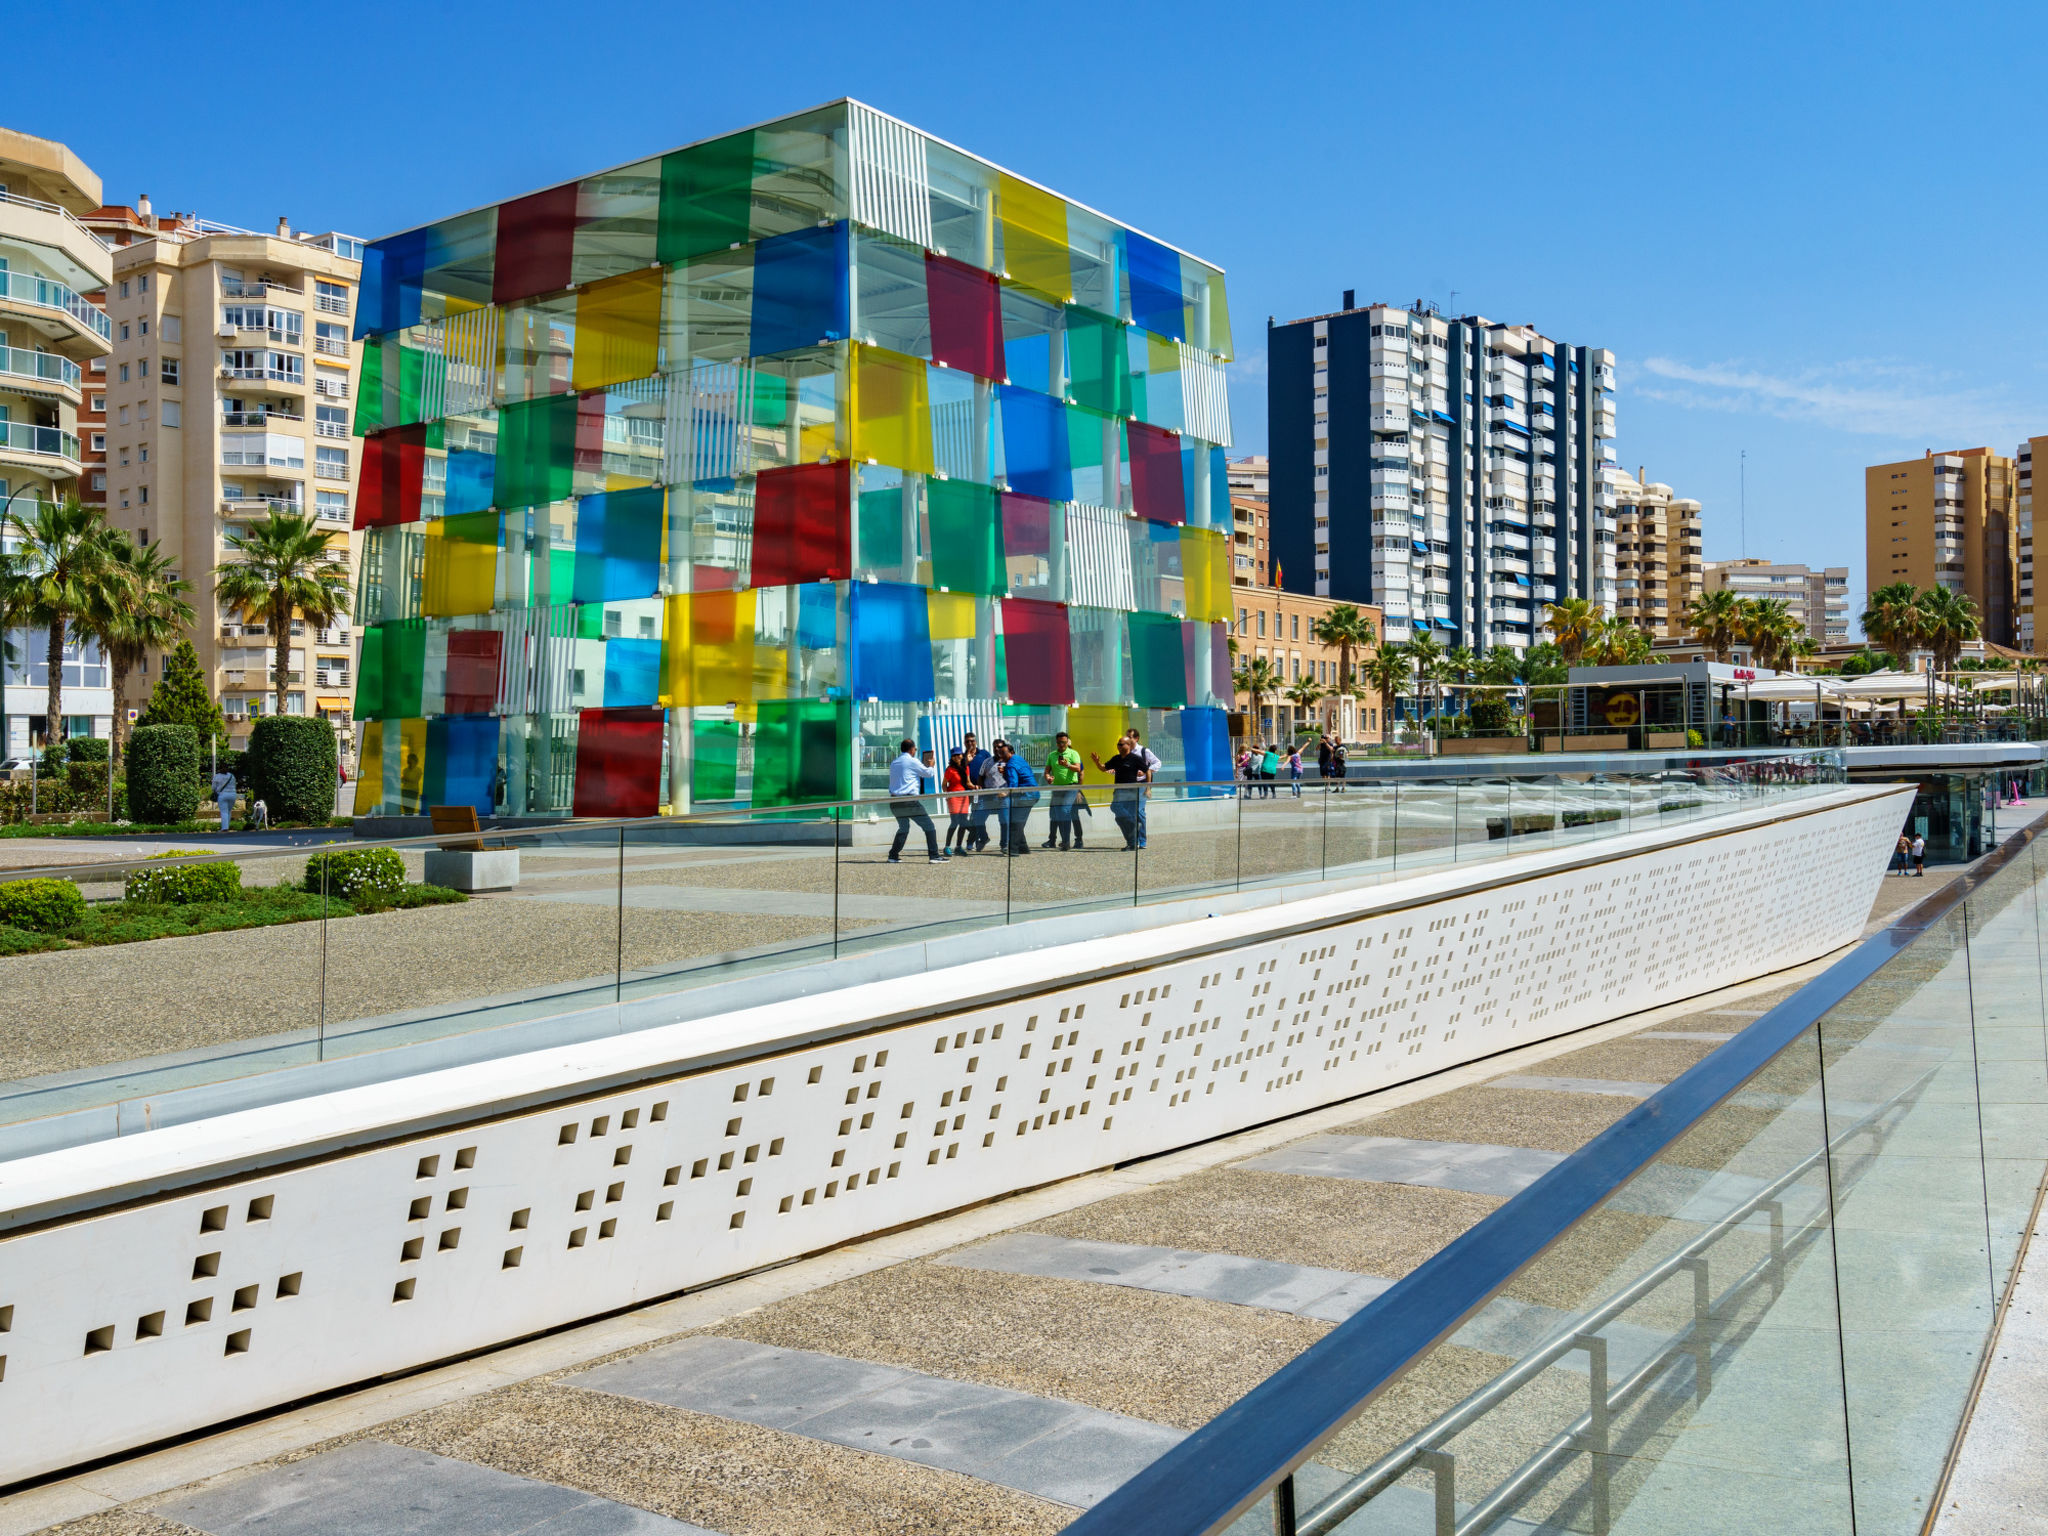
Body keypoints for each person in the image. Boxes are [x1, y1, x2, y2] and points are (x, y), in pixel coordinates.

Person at [885, 739, 947, 863]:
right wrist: (931, 765)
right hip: (909, 801)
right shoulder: (912, 761)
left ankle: (893, 855)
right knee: (929, 826)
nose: (915, 751)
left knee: (903, 827)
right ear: (912, 749)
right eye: (915, 749)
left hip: (894, 801)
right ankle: (934, 856)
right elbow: (928, 774)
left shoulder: (894, 762)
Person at [1091, 734, 1151, 850]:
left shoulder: (1135, 758)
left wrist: (1148, 788)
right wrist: (1097, 762)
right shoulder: (1116, 759)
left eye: (1121, 744)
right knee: (1118, 815)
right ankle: (1133, 832)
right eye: (1118, 744)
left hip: (1131, 792)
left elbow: (1147, 771)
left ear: (1128, 745)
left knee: (1120, 813)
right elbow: (1104, 768)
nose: (1118, 746)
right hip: (1119, 791)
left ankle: (1132, 840)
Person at [1044, 731, 1084, 849]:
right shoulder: (1052, 755)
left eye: (1064, 742)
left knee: (1065, 811)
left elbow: (1078, 769)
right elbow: (1047, 771)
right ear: (1056, 743)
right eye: (1059, 742)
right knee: (1057, 814)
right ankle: (1064, 841)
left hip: (1071, 787)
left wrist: (1067, 765)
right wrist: (1048, 777)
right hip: (1057, 788)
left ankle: (1068, 841)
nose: (1062, 745)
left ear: (1067, 742)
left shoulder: (1073, 753)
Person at [1126, 730, 1161, 847]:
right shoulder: (1125, 752)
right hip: (1130, 785)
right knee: (1130, 813)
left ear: (1136, 738)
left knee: (1139, 811)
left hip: (1142, 785)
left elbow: (1158, 763)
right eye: (1127, 737)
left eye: (1130, 737)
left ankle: (1142, 840)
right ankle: (1133, 840)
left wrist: (1147, 771)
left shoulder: (1144, 751)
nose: (1128, 739)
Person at [974, 741, 1009, 851]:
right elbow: (980, 776)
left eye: (999, 747)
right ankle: (984, 838)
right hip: (988, 796)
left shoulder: (1008, 761)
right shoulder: (987, 762)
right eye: (995, 747)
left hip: (1003, 796)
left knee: (1004, 821)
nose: (997, 749)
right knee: (978, 819)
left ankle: (1004, 845)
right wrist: (979, 787)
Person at [1005, 744, 1039, 854]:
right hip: (1032, 793)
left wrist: (1005, 793)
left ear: (1011, 752)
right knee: (1017, 820)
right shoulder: (1019, 758)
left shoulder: (1010, 764)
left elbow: (1013, 783)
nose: (1001, 755)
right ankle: (1023, 847)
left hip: (1026, 795)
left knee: (1016, 822)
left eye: (1003, 753)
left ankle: (1013, 850)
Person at [943, 751, 973, 853]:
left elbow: (968, 783)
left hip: (964, 797)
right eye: (954, 755)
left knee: (963, 823)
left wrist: (976, 787)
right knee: (955, 822)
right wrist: (947, 795)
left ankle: (958, 847)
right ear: (952, 757)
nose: (957, 757)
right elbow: (944, 784)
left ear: (962, 755)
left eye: (959, 754)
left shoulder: (966, 768)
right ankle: (947, 847)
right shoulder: (950, 770)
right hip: (953, 798)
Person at [211, 768, 238, 833]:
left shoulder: (217, 776)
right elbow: (234, 784)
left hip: (222, 795)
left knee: (224, 812)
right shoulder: (231, 776)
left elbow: (213, 787)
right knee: (229, 811)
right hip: (232, 794)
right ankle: (227, 826)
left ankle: (224, 828)